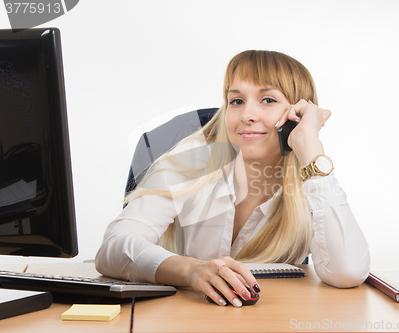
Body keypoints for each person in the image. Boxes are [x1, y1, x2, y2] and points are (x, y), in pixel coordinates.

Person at [95, 50, 370, 307]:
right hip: (183, 316)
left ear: (298, 114)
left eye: (268, 100)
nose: (247, 115)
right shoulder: (192, 161)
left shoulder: (311, 185)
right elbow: (113, 248)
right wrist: (191, 270)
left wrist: (310, 147)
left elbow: (347, 272)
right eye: (236, 101)